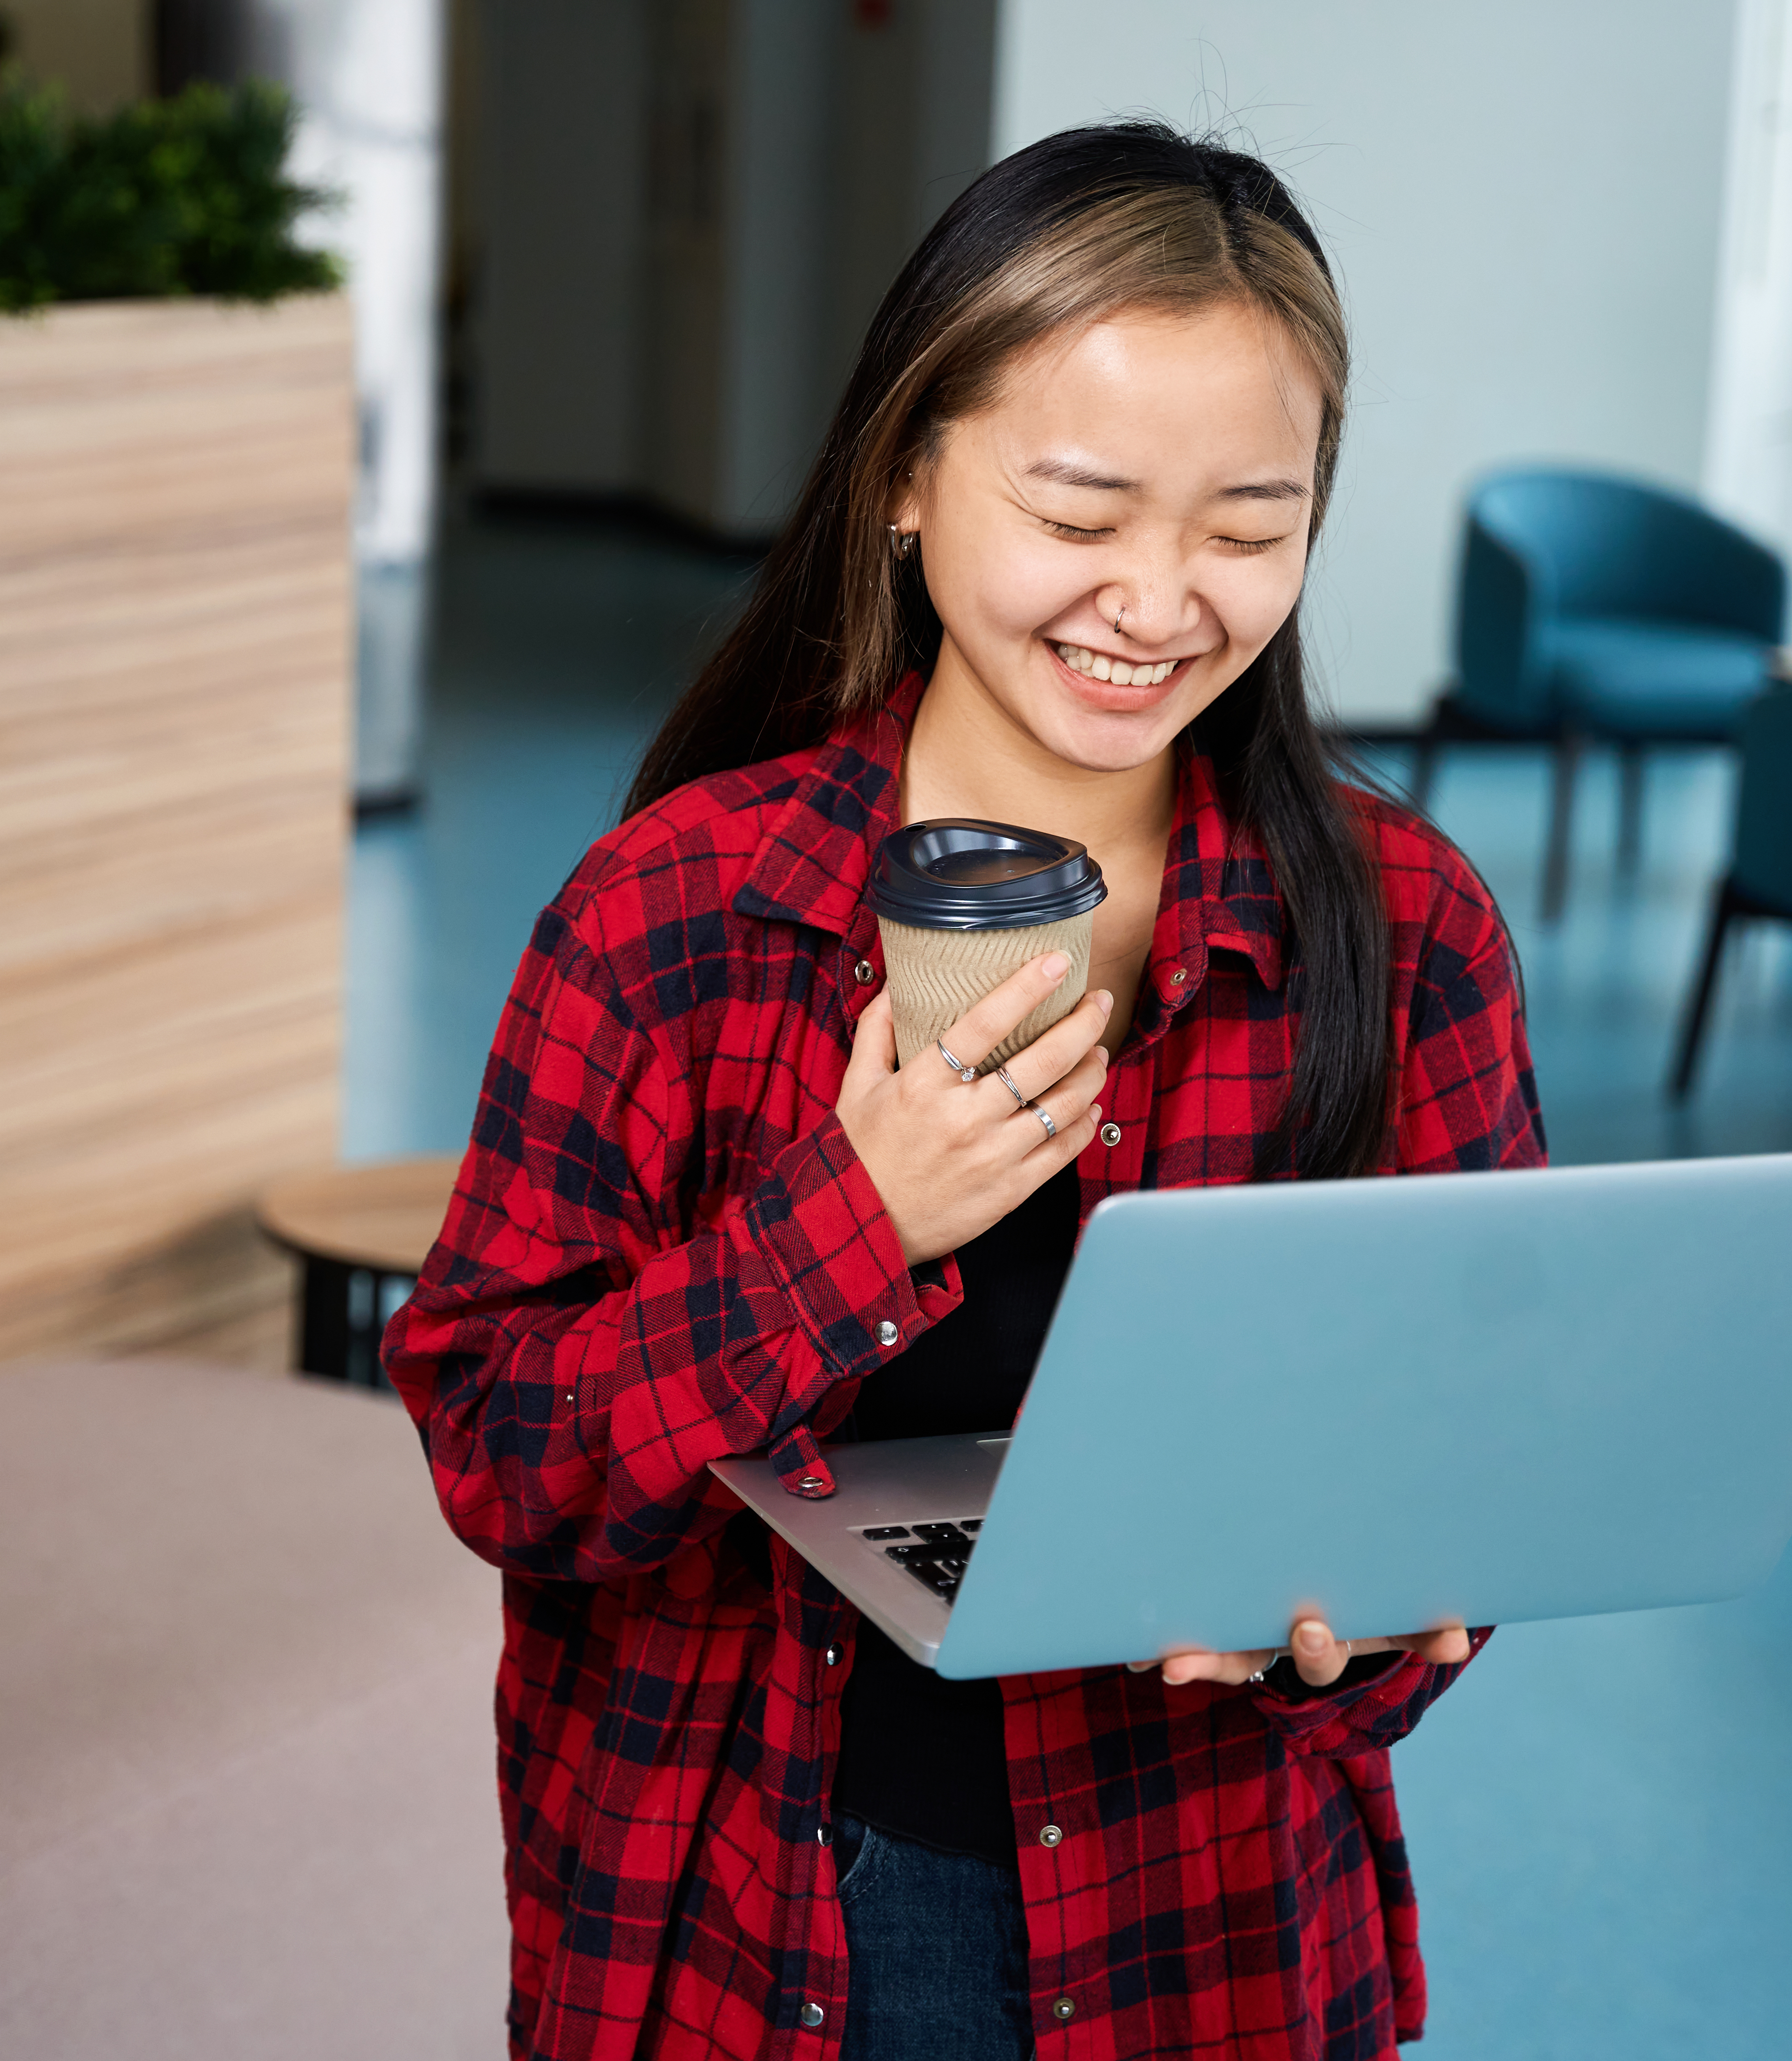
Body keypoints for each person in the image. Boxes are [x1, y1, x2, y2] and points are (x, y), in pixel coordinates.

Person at [384, 121, 1543, 2061]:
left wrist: (1372, 1628)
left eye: (1246, 527)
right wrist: (857, 1212)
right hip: (763, 1908)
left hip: (1212, 1921)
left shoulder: (1403, 924)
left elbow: (1483, 1451)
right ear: (906, 476)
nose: (1157, 599)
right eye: (1079, 513)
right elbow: (503, 1449)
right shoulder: (675, 910)